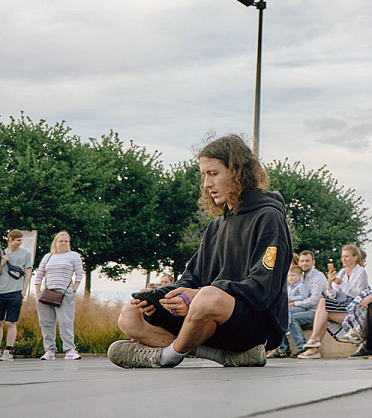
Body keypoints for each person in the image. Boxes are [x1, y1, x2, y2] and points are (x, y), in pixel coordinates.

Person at [108, 135, 292, 368]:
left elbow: (262, 289)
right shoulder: (216, 226)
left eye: (213, 174)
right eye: (204, 175)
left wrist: (199, 296)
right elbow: (192, 279)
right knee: (130, 314)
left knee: (208, 296)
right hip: (212, 318)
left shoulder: (269, 217)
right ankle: (222, 356)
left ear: (238, 173)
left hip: (257, 326)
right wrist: (166, 296)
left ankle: (166, 357)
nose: (206, 184)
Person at [297, 243, 371, 359]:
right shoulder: (341, 272)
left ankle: (314, 342)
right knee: (324, 305)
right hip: (343, 306)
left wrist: (341, 284)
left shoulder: (361, 272)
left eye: (346, 256)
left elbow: (359, 295)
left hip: (356, 309)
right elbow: (333, 296)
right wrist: (330, 285)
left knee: (322, 304)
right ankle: (314, 345)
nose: (343, 259)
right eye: (342, 257)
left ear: (355, 257)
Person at [32, 231, 84, 361]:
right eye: (61, 241)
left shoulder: (73, 256)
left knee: (65, 321)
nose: (63, 243)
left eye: (66, 241)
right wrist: (38, 292)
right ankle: (49, 350)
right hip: (47, 293)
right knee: (46, 322)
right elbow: (39, 274)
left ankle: (70, 350)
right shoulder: (48, 257)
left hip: (65, 293)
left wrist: (74, 289)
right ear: (55, 242)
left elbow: (79, 273)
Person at [271, 249, 327, 358]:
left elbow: (314, 300)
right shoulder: (299, 277)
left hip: (317, 312)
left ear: (313, 262)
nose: (304, 263)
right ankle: (284, 349)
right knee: (280, 315)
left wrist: (294, 303)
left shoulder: (318, 276)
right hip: (302, 310)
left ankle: (302, 347)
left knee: (290, 317)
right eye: (302, 261)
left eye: (307, 261)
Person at [1, 229, 34, 361]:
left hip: (15, 291)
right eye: (18, 240)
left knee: (10, 322)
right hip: (1, 291)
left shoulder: (26, 254)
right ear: (10, 240)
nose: (20, 243)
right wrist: (3, 262)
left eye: (21, 240)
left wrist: (24, 289)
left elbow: (28, 272)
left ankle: (9, 350)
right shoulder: (2, 253)